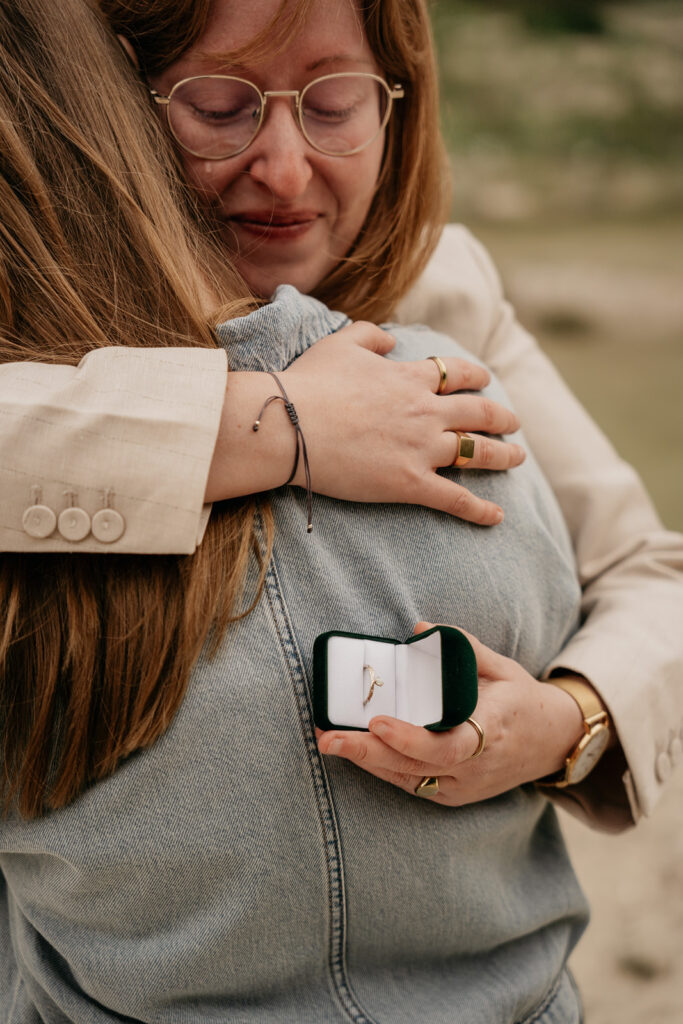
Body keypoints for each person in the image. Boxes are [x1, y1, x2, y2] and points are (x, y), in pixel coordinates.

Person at [0, 1, 680, 1019]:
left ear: (394, 103)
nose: (282, 168)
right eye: (219, 104)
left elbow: (648, 574)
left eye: (333, 104)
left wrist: (558, 723)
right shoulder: (39, 292)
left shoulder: (442, 284)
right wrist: (282, 419)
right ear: (115, 112)